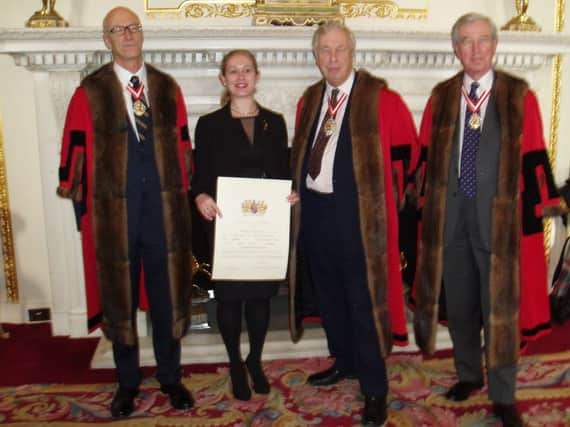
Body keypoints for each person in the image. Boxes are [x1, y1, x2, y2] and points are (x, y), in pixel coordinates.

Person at [412, 13, 564, 427]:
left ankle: (503, 394)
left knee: (500, 311)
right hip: (451, 218)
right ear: (455, 48)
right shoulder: (442, 96)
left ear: (494, 46)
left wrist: (534, 220)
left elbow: (535, 156)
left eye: (482, 41)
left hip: (499, 222)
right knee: (460, 306)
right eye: (466, 41)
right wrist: (419, 210)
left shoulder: (519, 95)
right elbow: (424, 158)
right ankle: (467, 375)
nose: (475, 49)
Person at [57, 6, 194, 418]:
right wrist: (87, 216)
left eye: (133, 27)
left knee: (168, 298)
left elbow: (185, 151)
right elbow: (74, 156)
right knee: (120, 299)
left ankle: (171, 377)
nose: (128, 35)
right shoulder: (90, 92)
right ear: (107, 40)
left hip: (164, 215)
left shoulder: (168, 88)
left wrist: (183, 202)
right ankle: (127, 382)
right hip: (115, 219)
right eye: (118, 30)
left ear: (141, 34)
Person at [288, 22, 419, 426]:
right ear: (315, 56)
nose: (332, 57)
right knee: (329, 296)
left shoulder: (382, 99)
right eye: (324, 50)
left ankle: (375, 388)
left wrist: (383, 211)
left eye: (339, 49)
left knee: (364, 304)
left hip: (359, 220)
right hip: (316, 214)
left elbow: (407, 159)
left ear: (352, 52)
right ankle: (343, 361)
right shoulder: (310, 99)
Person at [190, 49, 296, 401]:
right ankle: (235, 362)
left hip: (265, 226)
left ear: (256, 75)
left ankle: (254, 360)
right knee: (231, 299)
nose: (240, 76)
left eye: (246, 70)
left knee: (261, 298)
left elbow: (283, 172)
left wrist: (291, 194)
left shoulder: (275, 122)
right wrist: (201, 196)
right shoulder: (209, 124)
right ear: (223, 79)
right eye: (233, 71)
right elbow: (199, 176)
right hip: (226, 224)